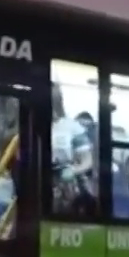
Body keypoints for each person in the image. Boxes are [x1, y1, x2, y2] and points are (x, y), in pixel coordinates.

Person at [51, 83, 95, 214]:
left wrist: (73, 170)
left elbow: (87, 160)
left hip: (65, 183)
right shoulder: (31, 122)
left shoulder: (72, 128)